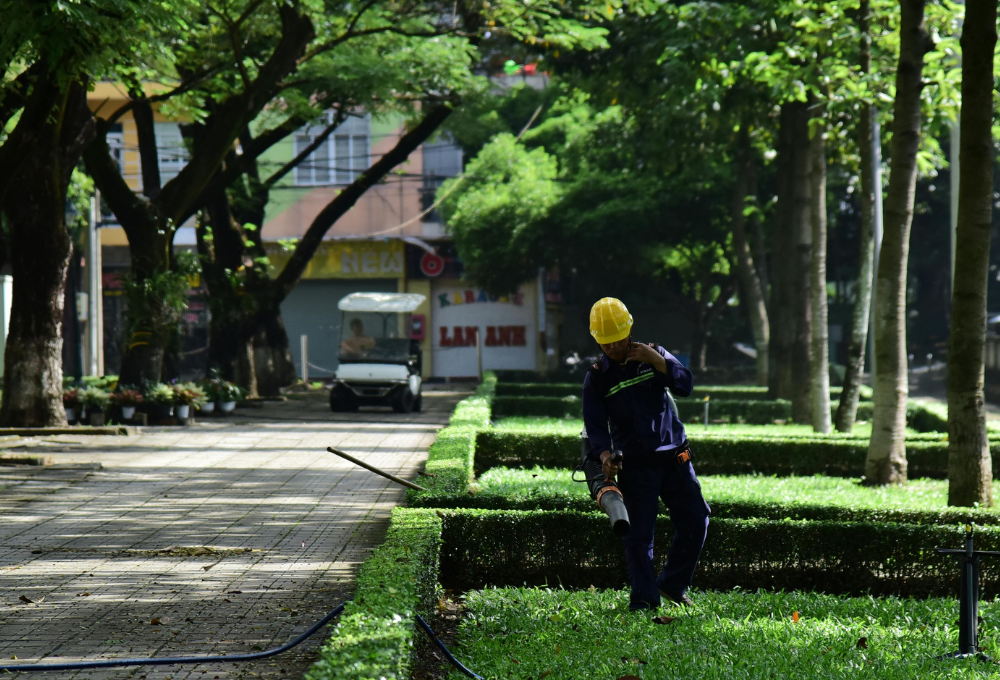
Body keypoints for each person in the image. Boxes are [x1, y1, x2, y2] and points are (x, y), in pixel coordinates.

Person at [582, 297, 710, 610]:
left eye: (619, 340)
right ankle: (644, 601)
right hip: (636, 465)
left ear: (629, 330)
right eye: (606, 343)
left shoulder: (654, 354)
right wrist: (603, 457)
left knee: (697, 520)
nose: (613, 347)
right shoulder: (597, 376)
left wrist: (658, 361)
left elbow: (685, 385)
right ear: (598, 340)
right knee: (638, 536)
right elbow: (595, 427)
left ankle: (672, 585)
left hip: (675, 459)